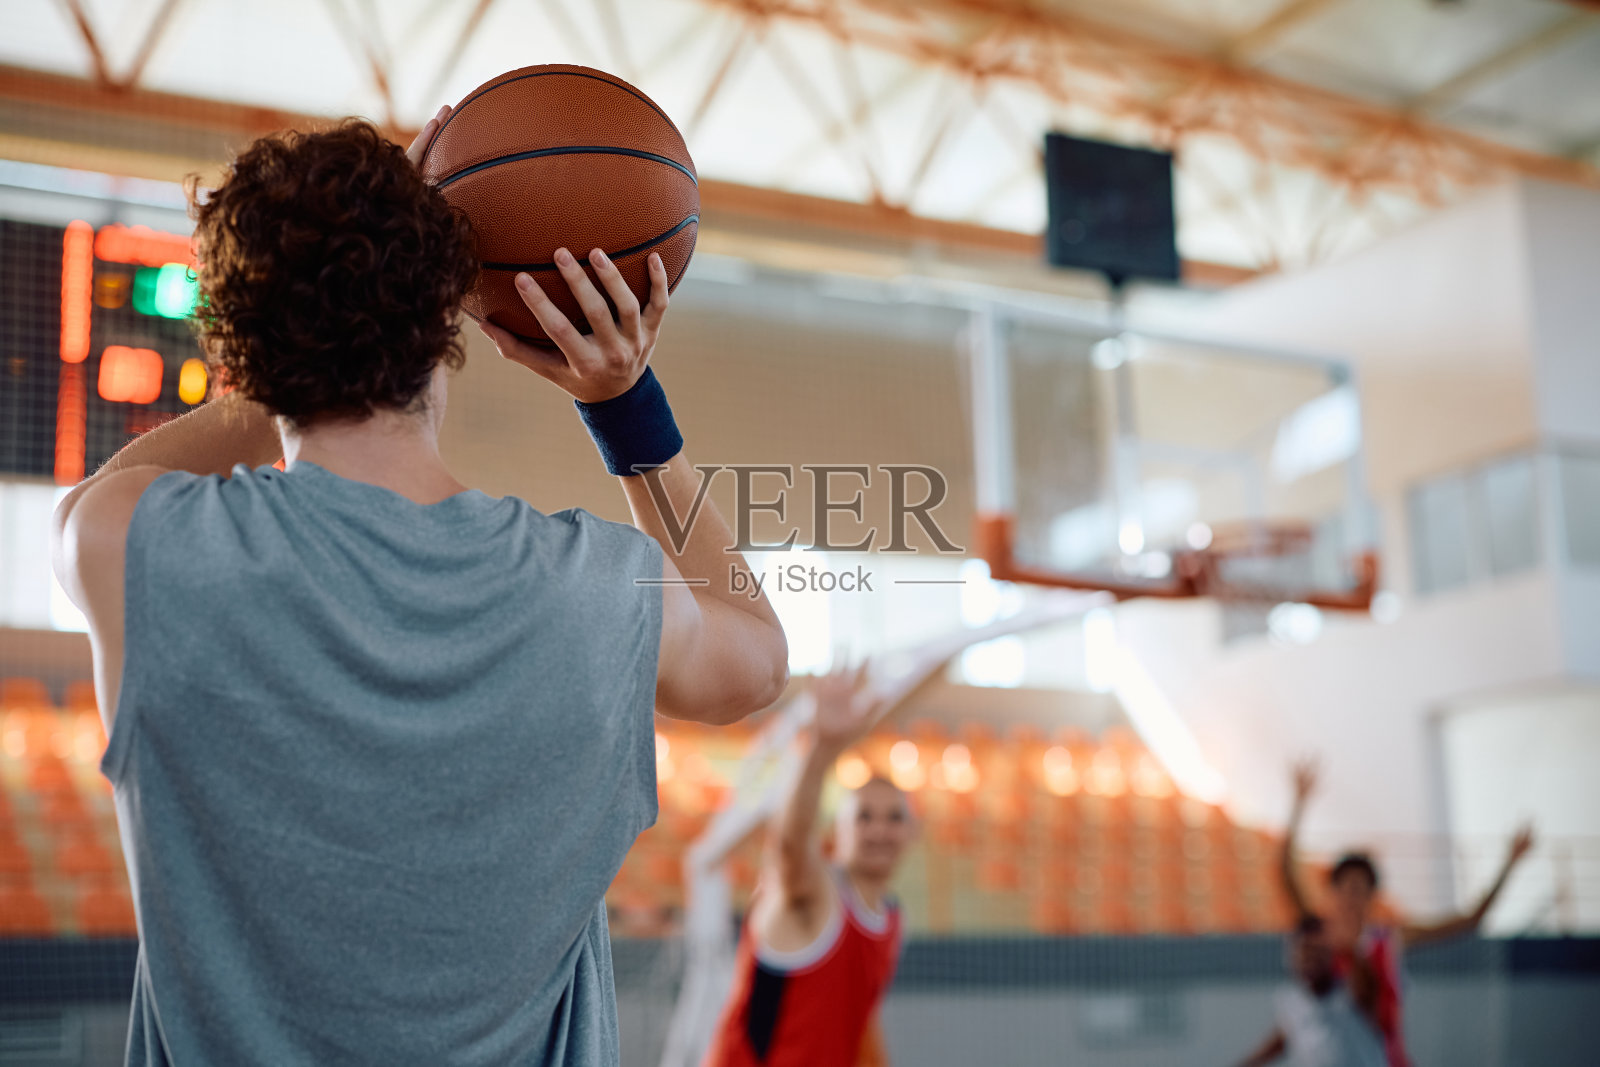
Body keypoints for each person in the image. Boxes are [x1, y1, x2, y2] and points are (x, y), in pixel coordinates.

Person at [50, 111, 788, 1066]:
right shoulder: (596, 592)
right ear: (451, 316)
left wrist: (303, 317)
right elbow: (757, 658)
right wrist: (623, 404)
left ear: (242, 344)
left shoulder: (143, 550)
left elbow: (93, 497)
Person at [704, 663, 915, 1067]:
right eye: (864, 817)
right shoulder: (814, 897)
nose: (879, 830)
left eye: (894, 818)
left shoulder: (889, 919)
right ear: (839, 833)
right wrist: (822, 750)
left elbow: (858, 1020)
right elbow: (789, 845)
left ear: (911, 833)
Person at [1278, 759, 1535, 1067]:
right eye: (1344, 888)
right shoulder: (1320, 938)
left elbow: (1471, 919)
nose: (1350, 898)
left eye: (1359, 890)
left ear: (1373, 897)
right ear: (1331, 894)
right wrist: (1298, 803)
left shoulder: (1388, 941)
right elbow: (1286, 873)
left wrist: (1508, 865)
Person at [1236, 915, 1387, 1067]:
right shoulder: (1292, 1001)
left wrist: (1344, 945)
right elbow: (1280, 1041)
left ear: (1330, 952)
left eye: (1315, 950)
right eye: (1302, 950)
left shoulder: (1351, 992)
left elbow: (1368, 982)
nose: (1309, 957)